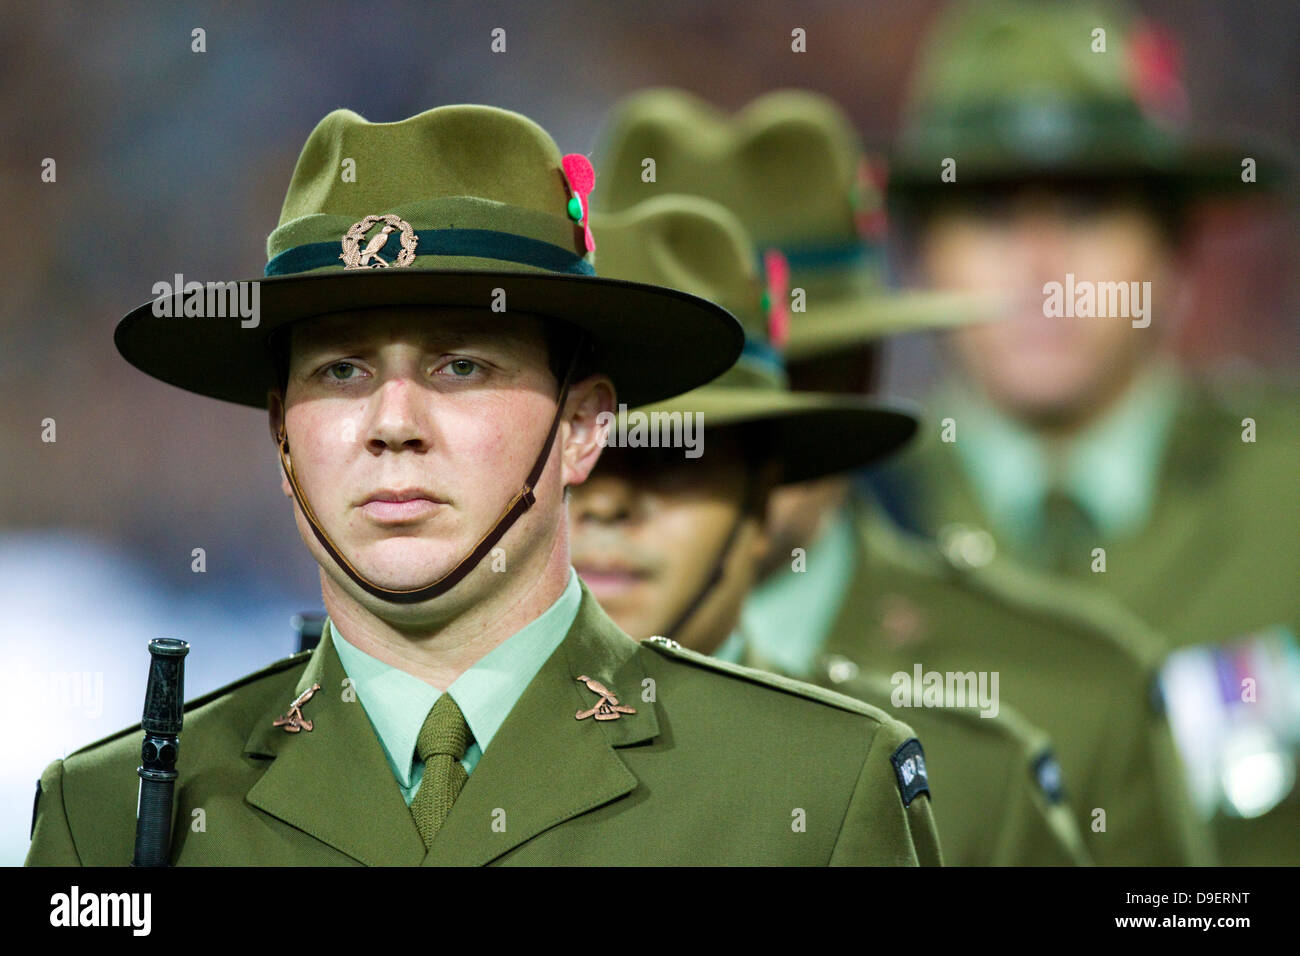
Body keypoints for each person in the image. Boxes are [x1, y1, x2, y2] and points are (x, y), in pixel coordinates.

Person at [24, 104, 941, 866]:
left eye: (460, 365)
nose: (393, 421)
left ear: (583, 427)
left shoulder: (812, 793)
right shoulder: (109, 818)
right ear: (280, 432)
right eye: (341, 371)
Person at [594, 86, 1212, 864]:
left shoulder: (1071, 695)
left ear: (860, 375)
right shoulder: (461, 695)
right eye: (673, 381)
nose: (741, 416)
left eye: (790, 368)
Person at [881, 0, 1299, 863]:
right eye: (990, 213)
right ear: (925, 255)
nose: (1039, 264)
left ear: (1173, 249)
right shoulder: (840, 511)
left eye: (1087, 208)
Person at [572, 193, 1091, 865]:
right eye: (575, 443)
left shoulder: (963, 778)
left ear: (765, 493)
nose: (607, 500)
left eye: (675, 451)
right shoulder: (429, 758)